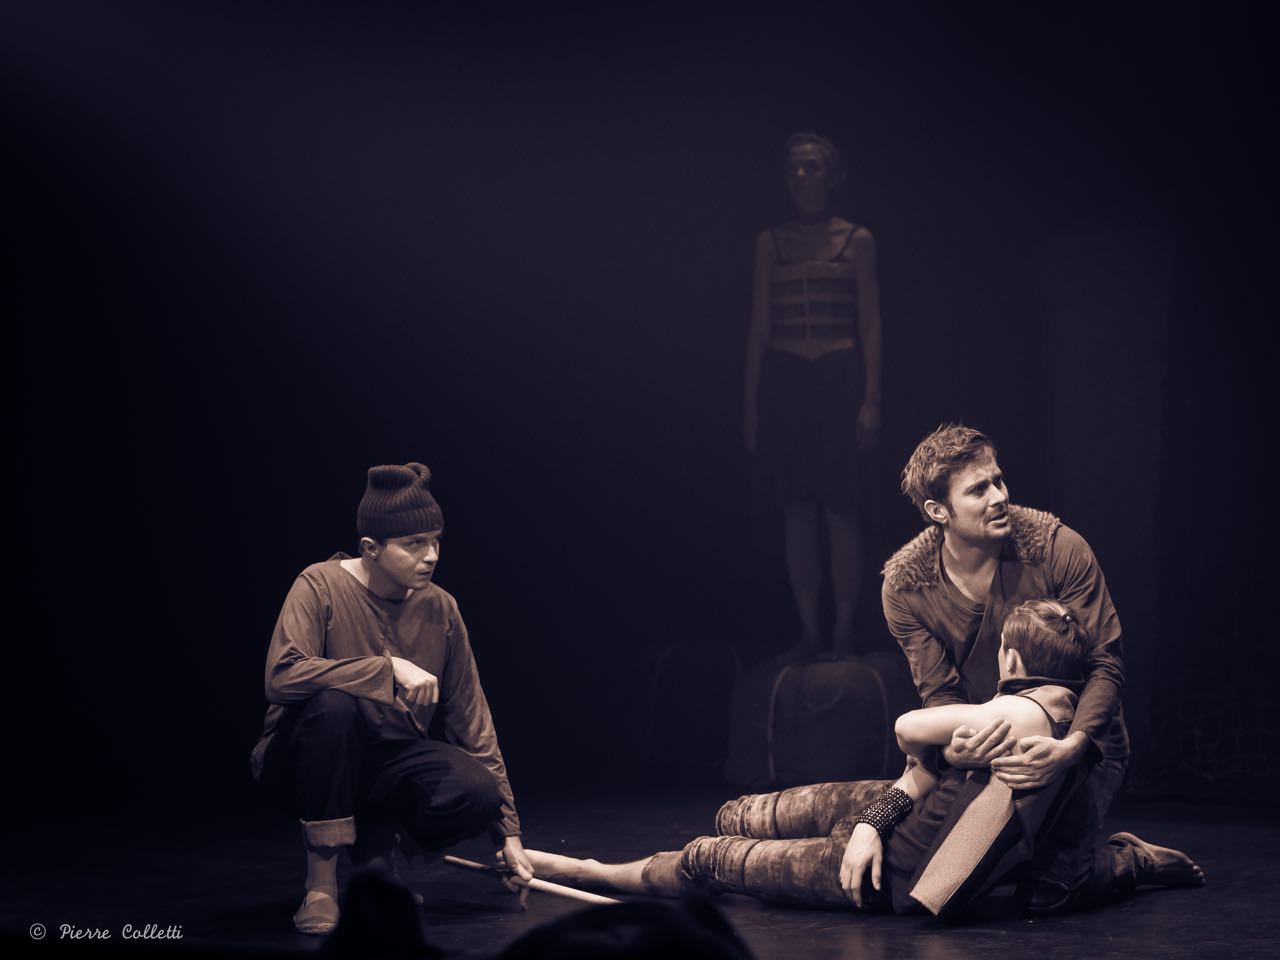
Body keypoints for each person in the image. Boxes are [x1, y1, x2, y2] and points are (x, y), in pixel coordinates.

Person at [513, 600, 1199, 914]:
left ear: (1013, 659)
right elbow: (928, 764)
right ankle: (581, 867)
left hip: (883, 875)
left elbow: (906, 725)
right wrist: (889, 806)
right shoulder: (1064, 713)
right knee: (737, 818)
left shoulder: (1018, 712)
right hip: (900, 811)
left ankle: (583, 868)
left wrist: (946, 738)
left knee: (712, 853)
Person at [250, 462, 533, 935]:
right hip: (302, 760)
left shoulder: (440, 607)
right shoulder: (319, 584)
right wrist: (386, 669)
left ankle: (375, 861)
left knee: (476, 789)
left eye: (436, 541)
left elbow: (471, 718)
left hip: (384, 762)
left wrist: (509, 833)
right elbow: (282, 675)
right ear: (371, 548)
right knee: (335, 707)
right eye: (414, 544)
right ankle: (321, 885)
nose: (431, 556)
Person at [882, 423, 1140, 910]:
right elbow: (940, 695)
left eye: (998, 480)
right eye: (978, 489)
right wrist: (956, 747)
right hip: (992, 741)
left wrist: (1073, 746)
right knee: (935, 883)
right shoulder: (907, 588)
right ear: (938, 511)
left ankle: (1128, 861)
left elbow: (1105, 665)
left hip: (1085, 743)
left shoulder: (1058, 549)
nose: (999, 496)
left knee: (1047, 892)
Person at [743, 131, 883, 656]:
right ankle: (809, 629)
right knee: (796, 506)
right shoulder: (770, 242)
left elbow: (870, 322)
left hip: (837, 373)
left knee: (840, 506)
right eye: (793, 169)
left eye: (811, 167)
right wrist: (751, 406)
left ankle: (843, 628)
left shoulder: (857, 240)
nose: (801, 177)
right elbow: (759, 326)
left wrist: (871, 398)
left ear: (832, 175)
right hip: (786, 376)